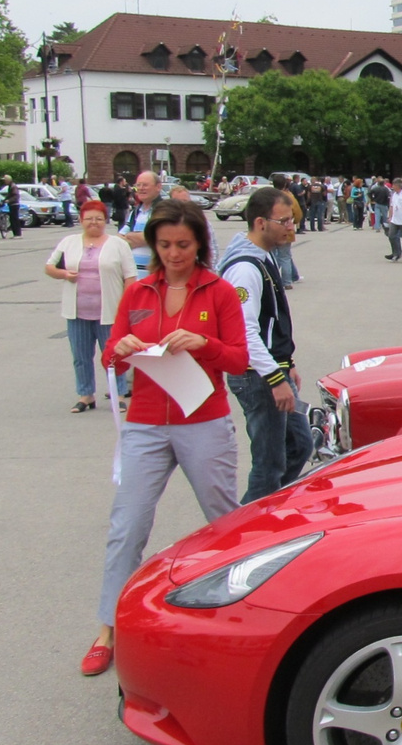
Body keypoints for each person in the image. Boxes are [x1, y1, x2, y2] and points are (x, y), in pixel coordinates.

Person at [82, 199, 248, 677]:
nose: (174, 254)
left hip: (203, 419)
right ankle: (107, 629)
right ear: (153, 244)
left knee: (225, 523)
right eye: (165, 245)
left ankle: (243, 618)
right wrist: (121, 347)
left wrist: (205, 344)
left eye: (183, 245)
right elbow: (109, 356)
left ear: (200, 244)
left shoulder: (218, 292)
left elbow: (238, 360)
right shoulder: (137, 292)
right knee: (127, 524)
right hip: (146, 422)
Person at [219, 187, 312, 506]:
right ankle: (249, 526)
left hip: (274, 370)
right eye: (284, 220)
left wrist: (288, 364)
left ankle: (267, 510)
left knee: (300, 445)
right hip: (258, 377)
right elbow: (244, 331)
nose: (291, 227)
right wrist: (275, 378)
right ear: (260, 222)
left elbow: (270, 322)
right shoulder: (245, 268)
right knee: (269, 464)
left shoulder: (263, 256)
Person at [44, 200, 135, 412]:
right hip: (77, 311)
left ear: (106, 220)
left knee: (114, 354)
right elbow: (49, 267)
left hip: (110, 311)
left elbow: (130, 277)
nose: (94, 223)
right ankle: (85, 395)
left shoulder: (118, 244)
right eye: (89, 219)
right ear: (81, 220)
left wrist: (126, 305)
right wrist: (64, 274)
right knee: (81, 356)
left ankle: (118, 393)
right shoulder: (69, 242)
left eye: (99, 219)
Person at [118, 170, 162, 277]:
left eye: (145, 185)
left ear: (158, 187)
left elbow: (158, 237)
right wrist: (142, 238)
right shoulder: (136, 212)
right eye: (138, 185)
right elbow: (119, 239)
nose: (141, 188)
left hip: (155, 275)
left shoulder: (163, 209)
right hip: (135, 277)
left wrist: (130, 236)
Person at [168, 185, 218, 263]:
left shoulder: (202, 222)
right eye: (178, 202)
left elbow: (211, 249)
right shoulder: (165, 224)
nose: (182, 205)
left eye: (185, 201)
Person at [269, 176, 303, 286]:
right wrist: (295, 222)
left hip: (271, 229)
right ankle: (287, 282)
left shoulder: (269, 197)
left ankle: (272, 279)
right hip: (285, 229)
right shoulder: (289, 197)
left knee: (272, 256)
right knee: (285, 257)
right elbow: (297, 212)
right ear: (285, 185)